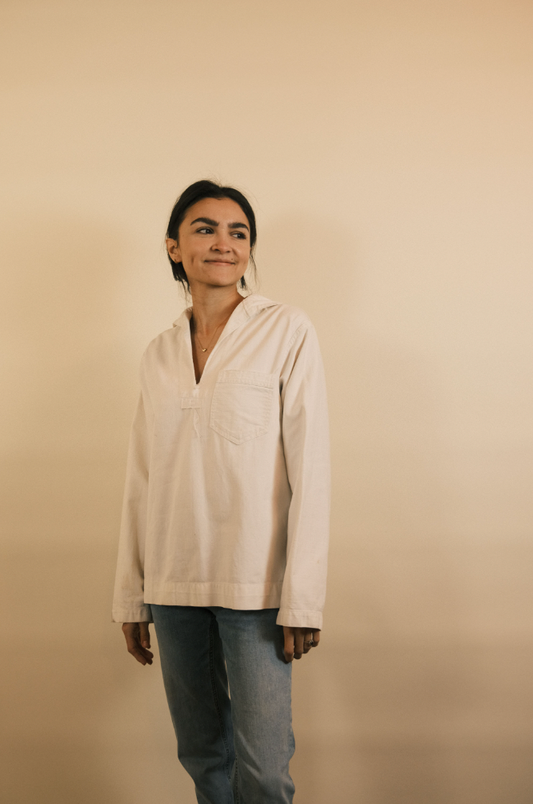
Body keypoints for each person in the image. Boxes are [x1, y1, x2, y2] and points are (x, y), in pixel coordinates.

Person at [112, 180, 330, 804]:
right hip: (172, 584)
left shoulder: (285, 329)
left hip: (254, 585)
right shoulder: (159, 353)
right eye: (205, 229)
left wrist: (303, 598)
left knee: (263, 770)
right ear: (174, 247)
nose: (224, 243)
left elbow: (311, 465)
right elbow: (142, 477)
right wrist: (131, 594)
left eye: (239, 232)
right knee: (204, 758)